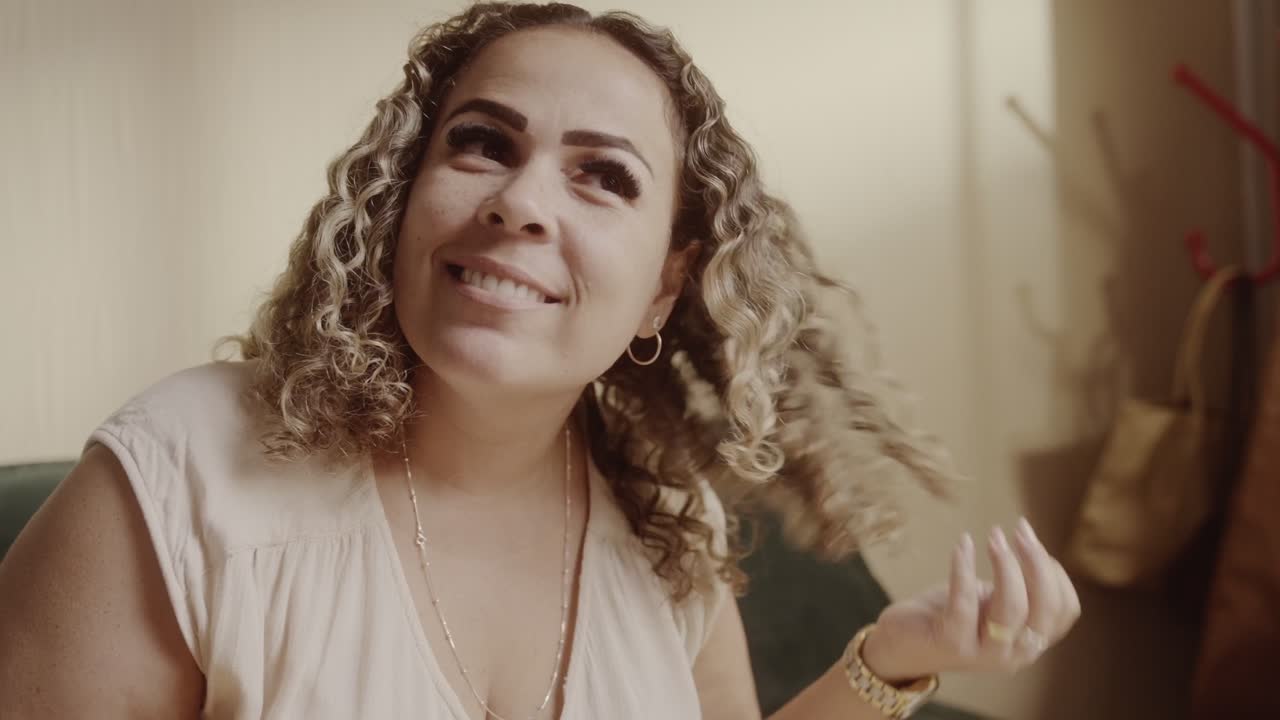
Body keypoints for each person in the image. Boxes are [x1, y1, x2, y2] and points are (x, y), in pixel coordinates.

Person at [0, 3, 1080, 718]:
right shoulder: (179, 476)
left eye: (602, 177)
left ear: (665, 282)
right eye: (482, 144)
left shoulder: (667, 528)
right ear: (397, 200)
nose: (518, 203)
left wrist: (890, 657)